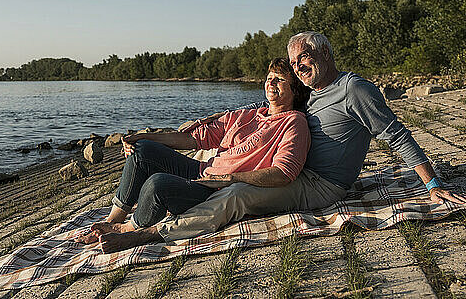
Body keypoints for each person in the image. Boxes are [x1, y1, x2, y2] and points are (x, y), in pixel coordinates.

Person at [92, 31, 466, 252]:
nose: (300, 65)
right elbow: (251, 115)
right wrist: (147, 134)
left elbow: (396, 134)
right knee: (175, 165)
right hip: (289, 172)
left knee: (236, 196)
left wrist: (431, 184)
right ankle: (120, 216)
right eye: (294, 62)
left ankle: (148, 233)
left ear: (325, 53)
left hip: (320, 185)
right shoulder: (310, 93)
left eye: (306, 57)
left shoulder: (354, 89)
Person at [77, 58, 312, 253]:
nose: (271, 84)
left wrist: (232, 179)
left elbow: (284, 173)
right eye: (269, 78)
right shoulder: (246, 115)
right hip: (201, 171)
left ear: (295, 90)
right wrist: (144, 137)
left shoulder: (294, 122)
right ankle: (113, 221)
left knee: (158, 184)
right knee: (142, 151)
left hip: (215, 189)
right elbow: (193, 139)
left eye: (280, 80)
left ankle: (128, 230)